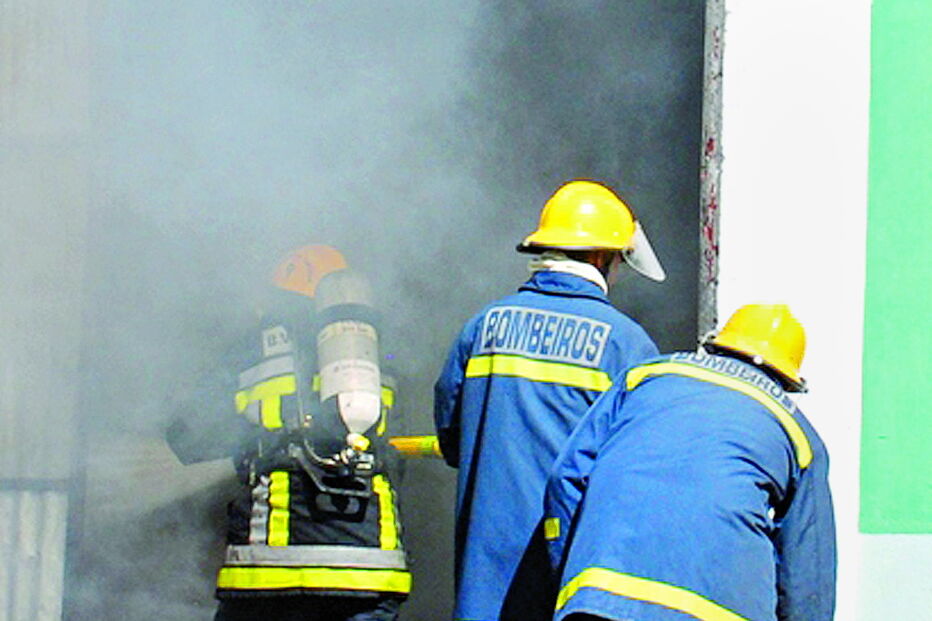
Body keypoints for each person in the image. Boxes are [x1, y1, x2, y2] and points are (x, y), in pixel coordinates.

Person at [434, 179, 666, 620]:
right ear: (602, 257)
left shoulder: (483, 325)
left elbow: (451, 434)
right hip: (567, 575)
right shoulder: (626, 344)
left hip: (482, 579)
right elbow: (639, 475)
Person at [544, 304, 836, 621]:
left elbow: (567, 478)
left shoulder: (643, 377)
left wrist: (571, 570)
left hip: (601, 598)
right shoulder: (799, 435)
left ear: (715, 347)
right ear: (786, 380)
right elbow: (808, 572)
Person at [166, 244, 411, 621]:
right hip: (372, 563)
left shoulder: (254, 347)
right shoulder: (379, 353)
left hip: (273, 567)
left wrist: (249, 441)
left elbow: (187, 436)